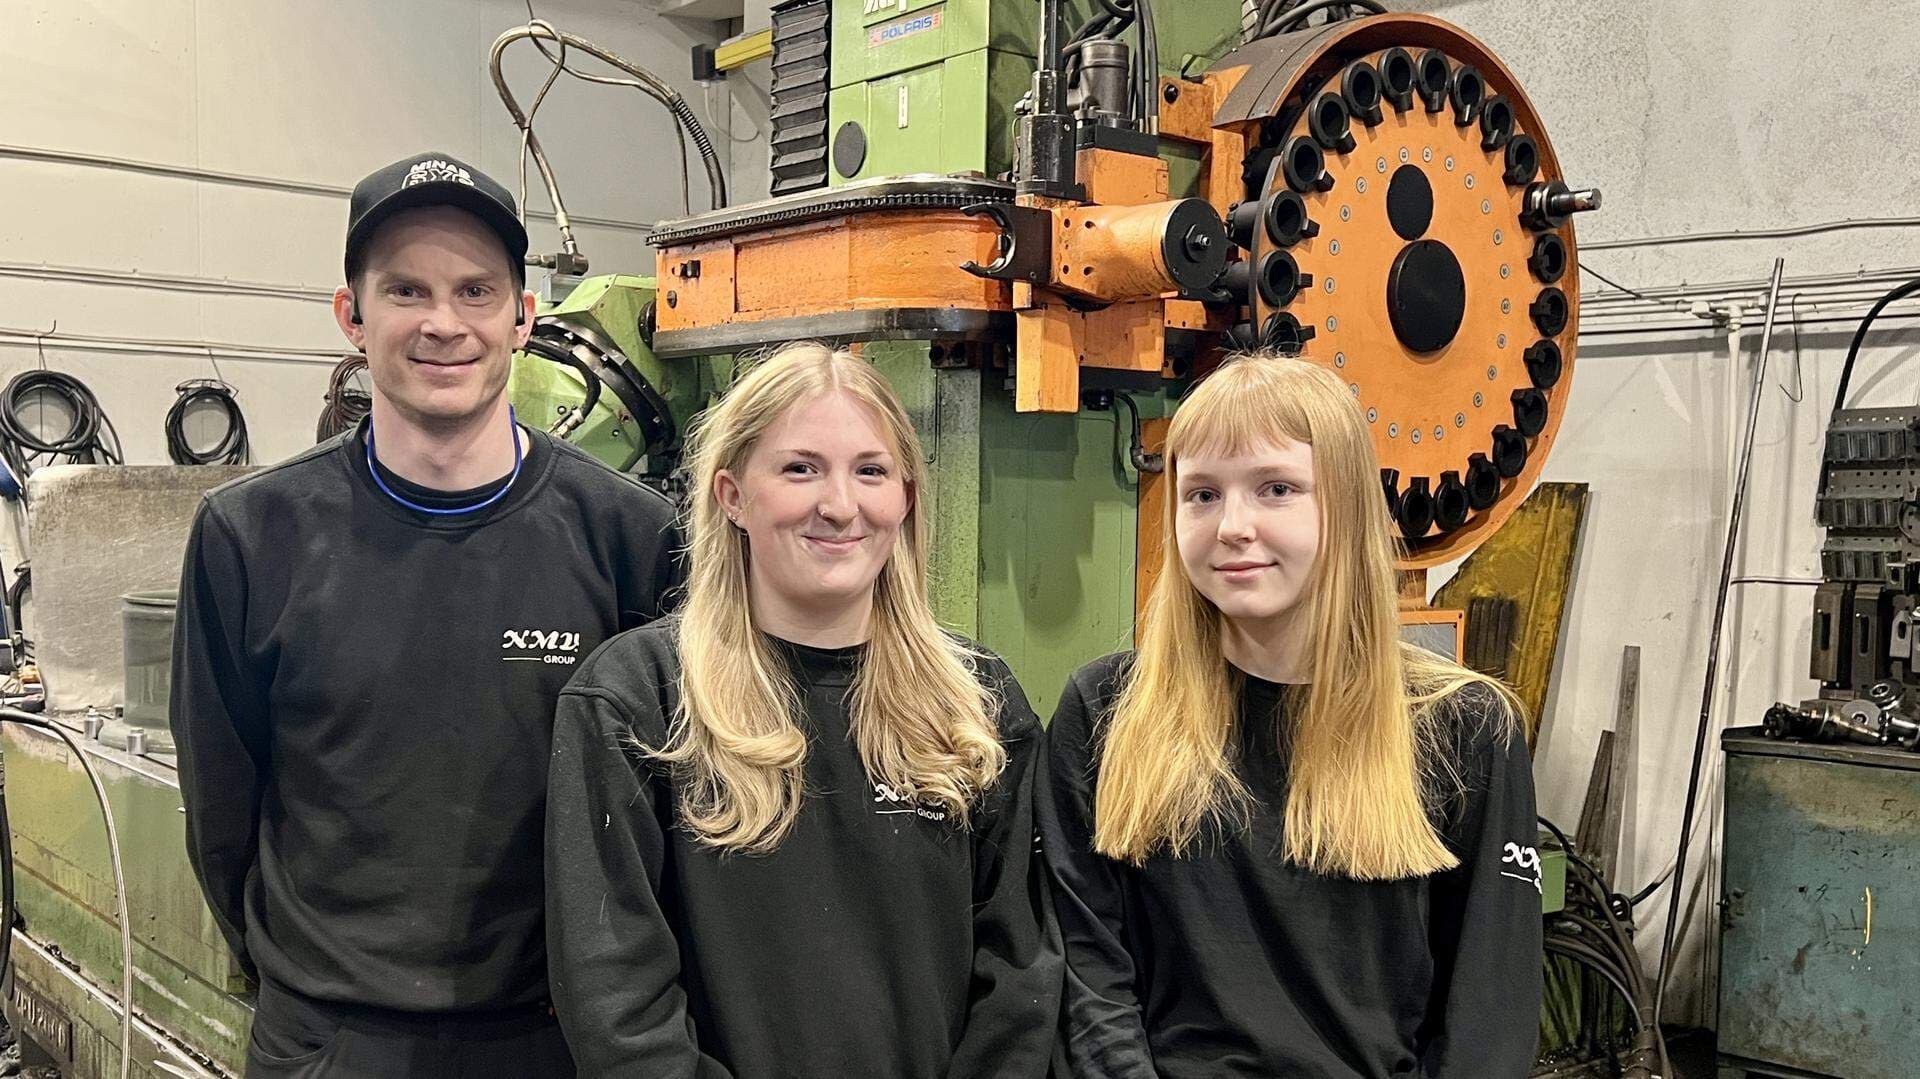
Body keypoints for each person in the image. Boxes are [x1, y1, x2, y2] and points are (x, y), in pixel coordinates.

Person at [170, 151, 681, 1078]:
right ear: (351, 316)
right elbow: (220, 809)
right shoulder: (250, 537)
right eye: (405, 290)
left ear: (524, 318)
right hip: (329, 1039)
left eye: (477, 290)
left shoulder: (631, 537)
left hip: (557, 1037)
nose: (444, 323)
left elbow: (670, 805)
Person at [544, 342, 1060, 1078]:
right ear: (731, 494)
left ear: (907, 497)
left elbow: (1021, 971)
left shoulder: (976, 705)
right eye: (800, 467)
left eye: (871, 471)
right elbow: (616, 998)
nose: (840, 504)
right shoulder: (636, 701)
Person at [1041, 353, 1543, 1078]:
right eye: (1202, 494)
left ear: (1342, 504)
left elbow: (1487, 1019)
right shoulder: (1104, 712)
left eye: (1275, 488)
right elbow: (1090, 978)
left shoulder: (1466, 729)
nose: (1232, 525)